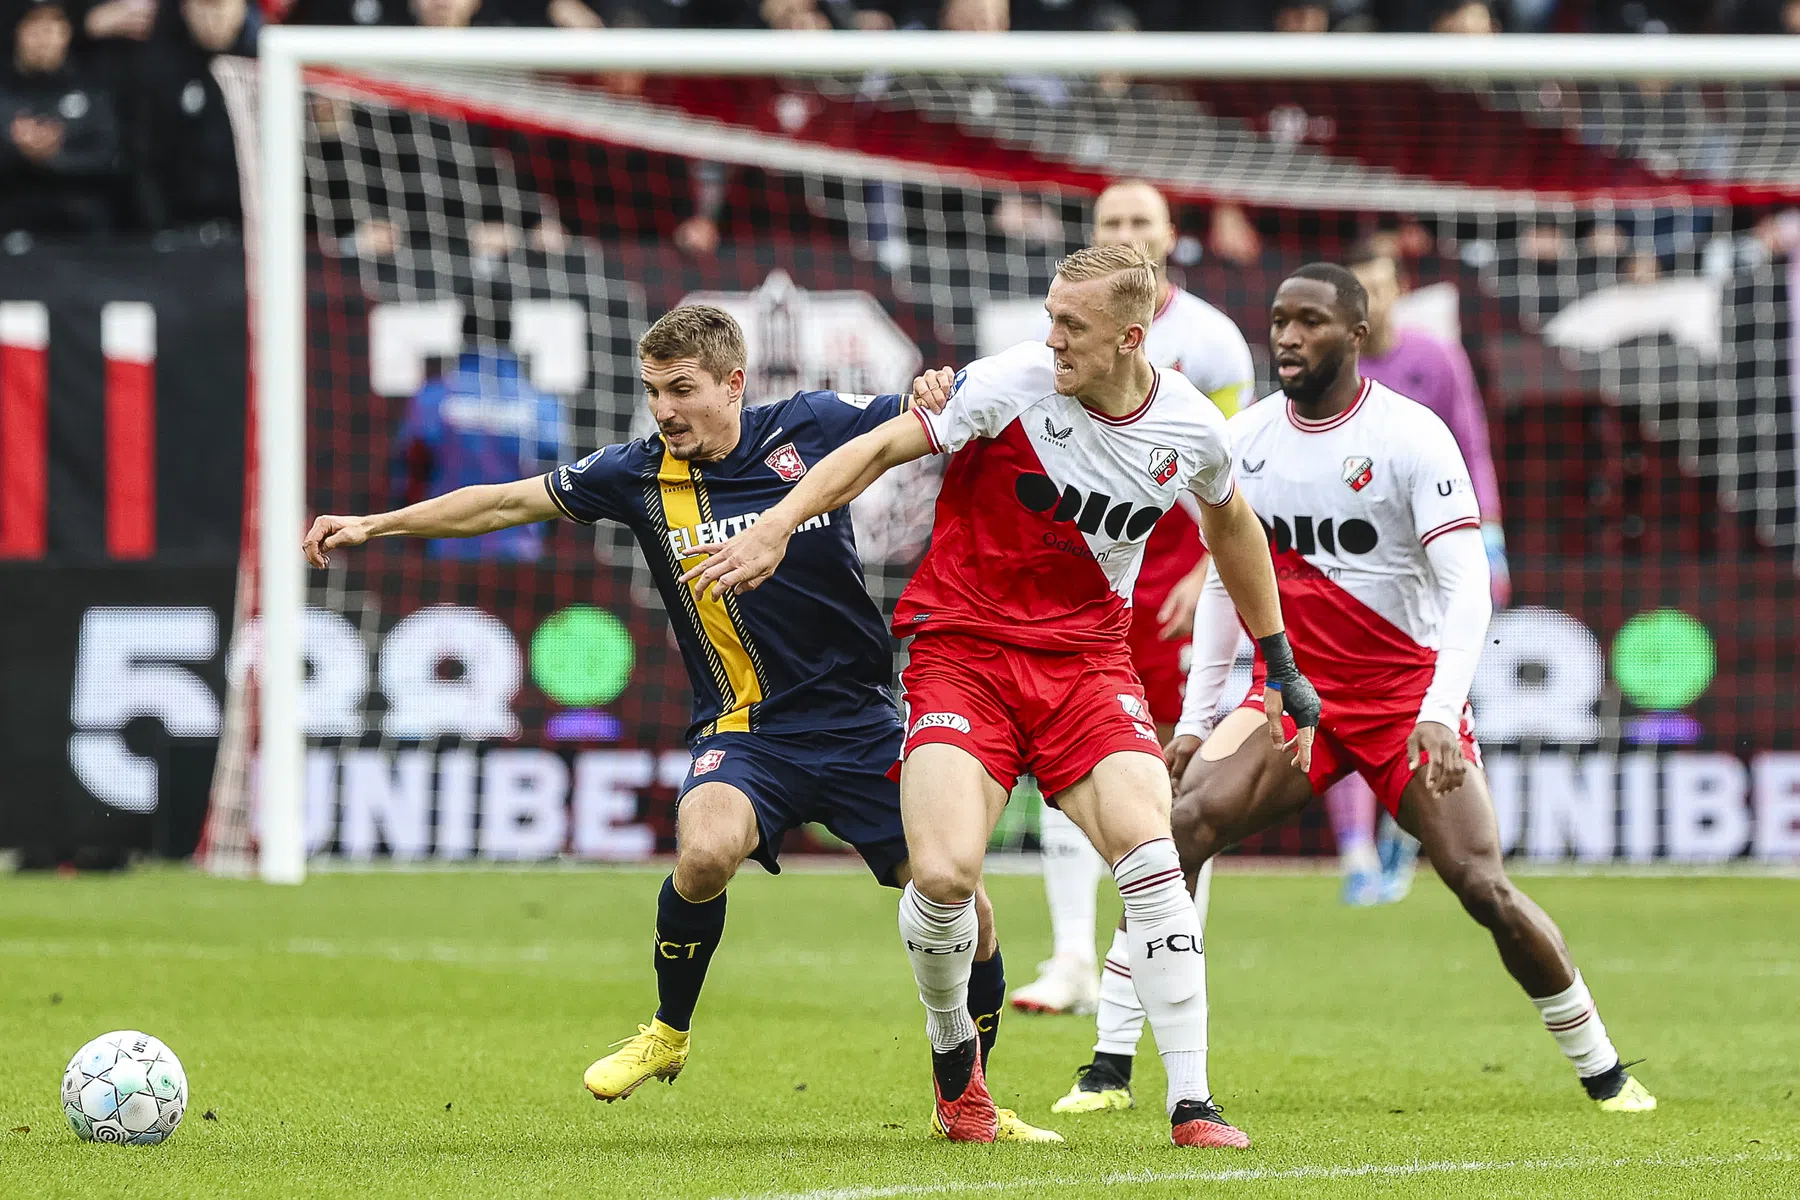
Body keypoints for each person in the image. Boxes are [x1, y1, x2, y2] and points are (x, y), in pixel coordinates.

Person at [301, 305, 1055, 1141]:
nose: (663, 409)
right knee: (703, 849)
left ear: (733, 384)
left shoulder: (811, 424)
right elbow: (504, 504)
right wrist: (376, 523)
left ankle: (972, 1094)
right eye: (653, 390)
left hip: (860, 725)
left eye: (681, 390)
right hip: (745, 730)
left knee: (965, 907)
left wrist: (937, 382)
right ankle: (668, 1031)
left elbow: (926, 414)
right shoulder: (635, 473)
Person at [681, 244, 1320, 1148]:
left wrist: (1280, 663)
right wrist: (782, 522)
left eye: (1072, 326)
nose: (1049, 336)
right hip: (965, 650)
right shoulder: (1011, 381)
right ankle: (956, 1065)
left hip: (1088, 666)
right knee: (943, 879)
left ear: (1130, 338)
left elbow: (1233, 528)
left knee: (1152, 858)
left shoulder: (1190, 430)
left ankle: (1193, 1101)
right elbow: (875, 450)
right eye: (1050, 315)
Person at [1059, 263, 1656, 1118]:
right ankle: (1110, 1065)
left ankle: (1602, 1068)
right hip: (1292, 703)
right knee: (1175, 831)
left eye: (1309, 322)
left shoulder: (1412, 436)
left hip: (1402, 706)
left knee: (1481, 885)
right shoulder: (1250, 437)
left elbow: (1467, 591)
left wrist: (1441, 714)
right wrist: (1196, 719)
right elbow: (1230, 581)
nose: (1289, 338)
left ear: (1358, 333)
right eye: (1279, 320)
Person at [1010, 179, 1255, 1021]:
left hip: (1175, 579)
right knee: (1063, 765)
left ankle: (1170, 951)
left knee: (1177, 772)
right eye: (1112, 222)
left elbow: (1233, 473)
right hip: (1085, 571)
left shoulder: (1214, 343)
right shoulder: (1063, 333)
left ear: (1171, 234)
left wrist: (1203, 577)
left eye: (1141, 221)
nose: (1127, 232)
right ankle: (1073, 955)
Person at [1320, 240, 1511, 906]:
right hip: (1358, 561)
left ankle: (1408, 839)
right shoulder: (1330, 367)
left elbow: (1473, 443)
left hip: (1434, 550)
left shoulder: (1435, 358)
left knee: (1435, 698)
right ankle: (1355, 854)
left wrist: (1489, 536)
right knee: (1341, 701)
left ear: (1400, 289)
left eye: (1379, 287)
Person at [389, 305, 566, 562]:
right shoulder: (541, 405)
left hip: (446, 557)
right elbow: (560, 486)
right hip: (520, 559)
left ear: (462, 335)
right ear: (510, 336)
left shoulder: (432, 400)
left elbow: (408, 480)